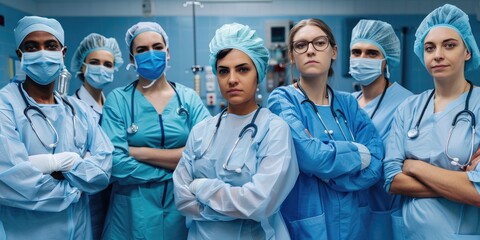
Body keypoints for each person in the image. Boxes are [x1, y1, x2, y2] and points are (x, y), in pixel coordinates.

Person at [173, 22, 299, 240]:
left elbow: (259, 203)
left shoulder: (274, 130)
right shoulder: (201, 130)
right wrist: (235, 208)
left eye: (242, 69)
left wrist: (201, 187)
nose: (232, 79)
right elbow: (182, 198)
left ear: (258, 74)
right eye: (223, 71)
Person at [268, 18, 384, 239]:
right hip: (307, 226)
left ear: (334, 51)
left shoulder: (348, 103)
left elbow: (376, 162)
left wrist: (331, 177)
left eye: (320, 43)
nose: (311, 50)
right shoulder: (283, 100)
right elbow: (310, 157)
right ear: (292, 56)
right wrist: (359, 153)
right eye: (301, 45)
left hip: (353, 225)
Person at [0, 16, 112, 239]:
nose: (42, 53)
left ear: (63, 53)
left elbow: (103, 168)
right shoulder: (6, 105)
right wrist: (76, 181)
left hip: (79, 230)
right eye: (32, 47)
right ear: (21, 55)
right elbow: (12, 182)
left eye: (50, 46)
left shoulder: (77, 109)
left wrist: (47, 167)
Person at [101, 21, 210, 240]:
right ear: (132, 59)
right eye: (141, 50)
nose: (151, 54)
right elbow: (115, 163)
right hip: (131, 216)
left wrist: (136, 151)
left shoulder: (188, 99)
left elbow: (204, 155)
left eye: (157, 47)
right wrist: (175, 172)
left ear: (167, 52)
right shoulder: (118, 100)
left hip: (180, 212)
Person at [384, 4, 480, 239]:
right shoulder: (409, 108)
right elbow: (391, 179)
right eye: (429, 48)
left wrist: (414, 166)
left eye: (449, 45)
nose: (438, 54)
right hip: (410, 233)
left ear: (467, 51)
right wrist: (460, 184)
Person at [348, 19, 413, 239]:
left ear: (386, 61)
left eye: (372, 53)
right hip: (351, 212)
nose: (361, 59)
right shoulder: (347, 103)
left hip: (384, 215)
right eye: (356, 52)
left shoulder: (408, 104)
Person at [70, 32, 123, 240]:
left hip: (112, 194)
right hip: (85, 195)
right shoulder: (71, 109)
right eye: (95, 62)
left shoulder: (113, 106)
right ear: (83, 66)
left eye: (108, 64)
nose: (102, 68)